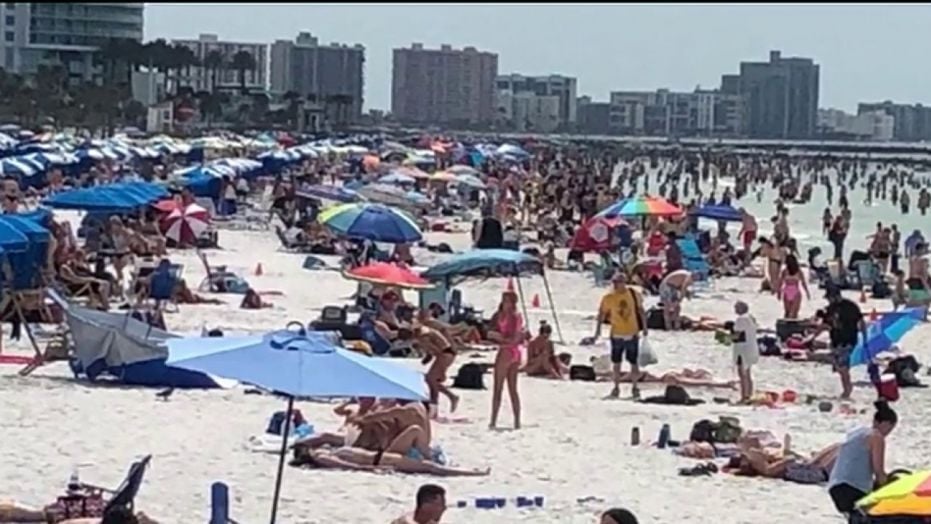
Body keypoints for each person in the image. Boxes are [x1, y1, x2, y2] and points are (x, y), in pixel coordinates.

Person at [827, 401, 898, 521]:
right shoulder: (876, 437)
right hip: (853, 488)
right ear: (881, 423)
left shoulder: (856, 432)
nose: (888, 433)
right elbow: (878, 472)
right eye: (889, 428)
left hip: (835, 486)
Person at [592, 273, 647, 399]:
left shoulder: (633, 294)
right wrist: (598, 331)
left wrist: (644, 327)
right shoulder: (608, 298)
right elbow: (601, 314)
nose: (617, 285)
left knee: (633, 362)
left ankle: (635, 387)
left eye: (619, 282)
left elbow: (641, 310)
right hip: (616, 334)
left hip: (632, 333)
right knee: (616, 363)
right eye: (615, 282)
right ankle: (616, 387)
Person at [292, 446, 489, 477]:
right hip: (380, 459)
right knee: (428, 467)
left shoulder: (323, 452)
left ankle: (469, 471)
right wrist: (371, 469)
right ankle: (471, 472)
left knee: (427, 466)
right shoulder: (322, 457)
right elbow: (349, 466)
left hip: (381, 455)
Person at [488, 290, 526, 429]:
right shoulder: (505, 315)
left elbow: (513, 338)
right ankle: (517, 421)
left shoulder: (513, 317)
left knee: (499, 388)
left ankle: (493, 421)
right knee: (512, 389)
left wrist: (498, 338)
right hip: (516, 352)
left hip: (507, 350)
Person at [824, 286, 868, 399]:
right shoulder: (830, 308)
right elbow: (827, 325)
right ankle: (847, 387)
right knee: (839, 367)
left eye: (830, 298)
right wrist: (812, 337)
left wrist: (865, 338)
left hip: (849, 340)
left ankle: (847, 389)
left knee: (843, 367)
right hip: (836, 341)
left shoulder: (850, 306)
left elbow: (861, 322)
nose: (829, 300)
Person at [730, 301, 759, 403]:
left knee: (742, 374)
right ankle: (749, 394)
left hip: (743, 349)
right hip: (752, 347)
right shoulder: (751, 318)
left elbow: (737, 335)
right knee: (747, 373)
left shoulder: (741, 319)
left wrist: (724, 338)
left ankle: (744, 396)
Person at [778, 254, 810, 319]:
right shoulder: (785, 271)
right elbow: (780, 283)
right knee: (787, 312)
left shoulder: (799, 271)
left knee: (793, 313)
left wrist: (807, 292)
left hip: (795, 292)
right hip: (787, 292)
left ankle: (793, 326)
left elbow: (803, 282)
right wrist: (779, 292)